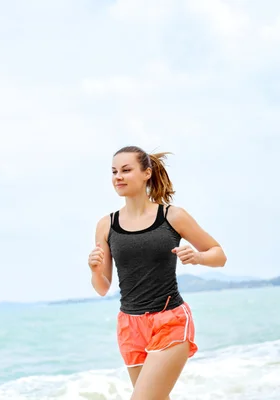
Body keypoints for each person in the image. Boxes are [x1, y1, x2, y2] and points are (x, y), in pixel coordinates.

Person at [87, 146, 227, 400]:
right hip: (130, 325)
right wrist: (95, 269)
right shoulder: (106, 225)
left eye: (126, 170)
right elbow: (102, 286)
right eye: (114, 171)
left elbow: (218, 254)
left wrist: (198, 257)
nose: (118, 176)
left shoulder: (172, 216)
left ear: (146, 173)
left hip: (170, 319)